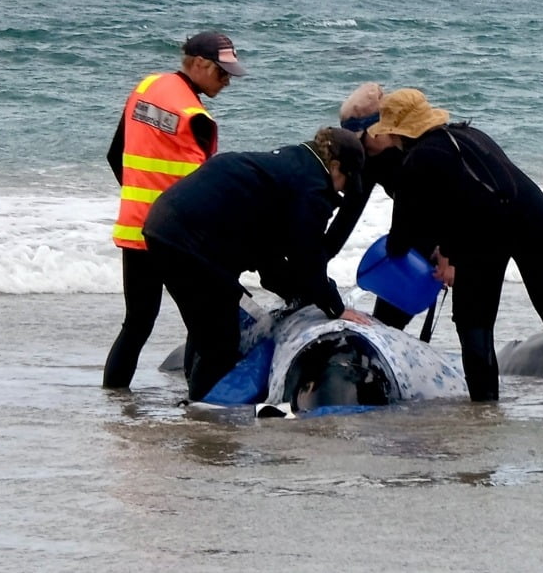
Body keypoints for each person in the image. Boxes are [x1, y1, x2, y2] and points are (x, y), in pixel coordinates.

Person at [367, 88, 543, 405]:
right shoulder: (469, 134)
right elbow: (477, 193)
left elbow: (399, 242)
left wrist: (446, 255)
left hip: (486, 231)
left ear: (394, 131)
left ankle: (486, 406)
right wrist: (448, 251)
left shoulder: (417, 163)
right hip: (533, 214)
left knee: (474, 322)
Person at [142, 127, 372, 402]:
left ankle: (197, 397)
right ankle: (204, 417)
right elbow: (307, 257)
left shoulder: (290, 166)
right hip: (189, 239)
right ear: (334, 166)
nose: (343, 190)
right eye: (346, 181)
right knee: (221, 342)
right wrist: (334, 306)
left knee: (208, 326)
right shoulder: (311, 187)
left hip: (163, 225)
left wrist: (296, 295)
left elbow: (270, 256)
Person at [102, 31, 246, 389]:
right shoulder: (194, 116)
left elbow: (114, 155)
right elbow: (205, 189)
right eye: (222, 72)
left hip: (137, 230)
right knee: (201, 322)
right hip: (180, 238)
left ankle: (113, 401)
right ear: (198, 63)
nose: (227, 81)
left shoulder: (146, 87)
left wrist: (145, 202)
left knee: (136, 324)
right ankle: (196, 400)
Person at [323, 83, 415, 329]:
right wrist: (316, 267)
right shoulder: (368, 160)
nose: (359, 149)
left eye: (361, 140)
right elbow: (347, 216)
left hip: (458, 229)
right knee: (385, 321)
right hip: (415, 230)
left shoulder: (416, 148)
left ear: (379, 128)